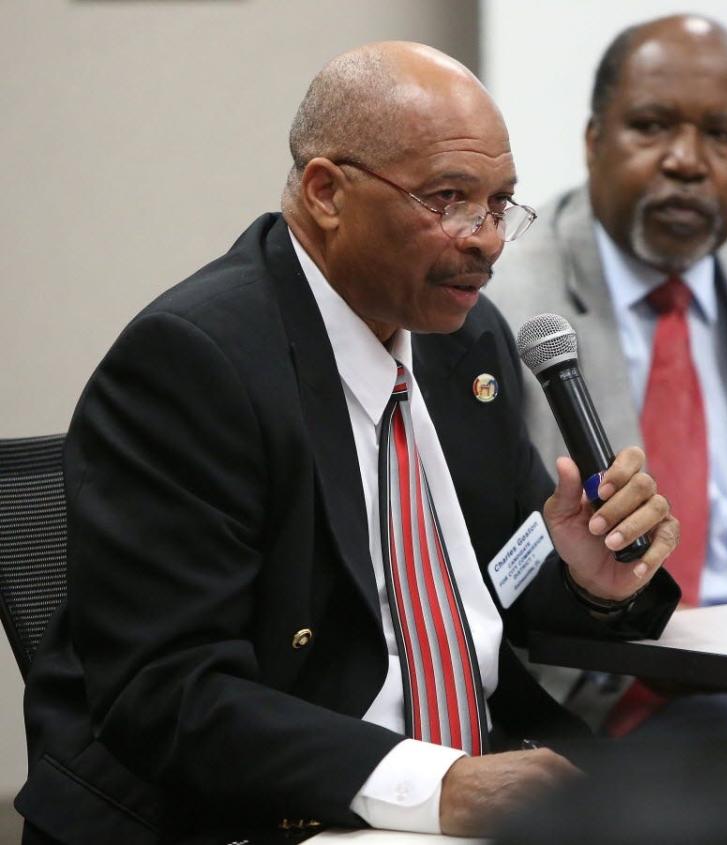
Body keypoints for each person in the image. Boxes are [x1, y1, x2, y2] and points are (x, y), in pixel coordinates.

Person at [15, 42, 683, 845]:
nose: (488, 240)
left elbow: (502, 580)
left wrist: (588, 578)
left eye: (500, 204)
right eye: (449, 199)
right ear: (327, 191)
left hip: (482, 780)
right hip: (268, 810)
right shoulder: (194, 362)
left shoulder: (465, 344)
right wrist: (433, 783)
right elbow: (169, 689)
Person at [488, 15, 727, 731]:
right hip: (608, 689)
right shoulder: (506, 298)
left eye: (724, 136)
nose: (687, 160)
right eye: (650, 125)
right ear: (592, 142)